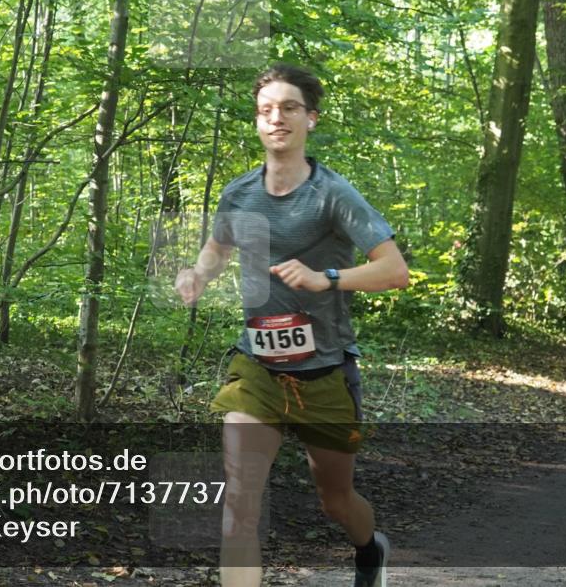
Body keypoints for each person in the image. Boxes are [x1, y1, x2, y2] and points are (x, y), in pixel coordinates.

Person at [175, 64, 409, 587]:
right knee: (238, 502)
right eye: (265, 110)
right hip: (256, 368)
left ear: (311, 120)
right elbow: (217, 248)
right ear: (257, 122)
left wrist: (327, 278)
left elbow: (395, 271)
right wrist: (198, 275)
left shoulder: (333, 194)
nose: (275, 118)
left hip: (323, 373)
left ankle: (370, 550)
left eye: (288, 108)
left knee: (335, 499)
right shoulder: (238, 194)